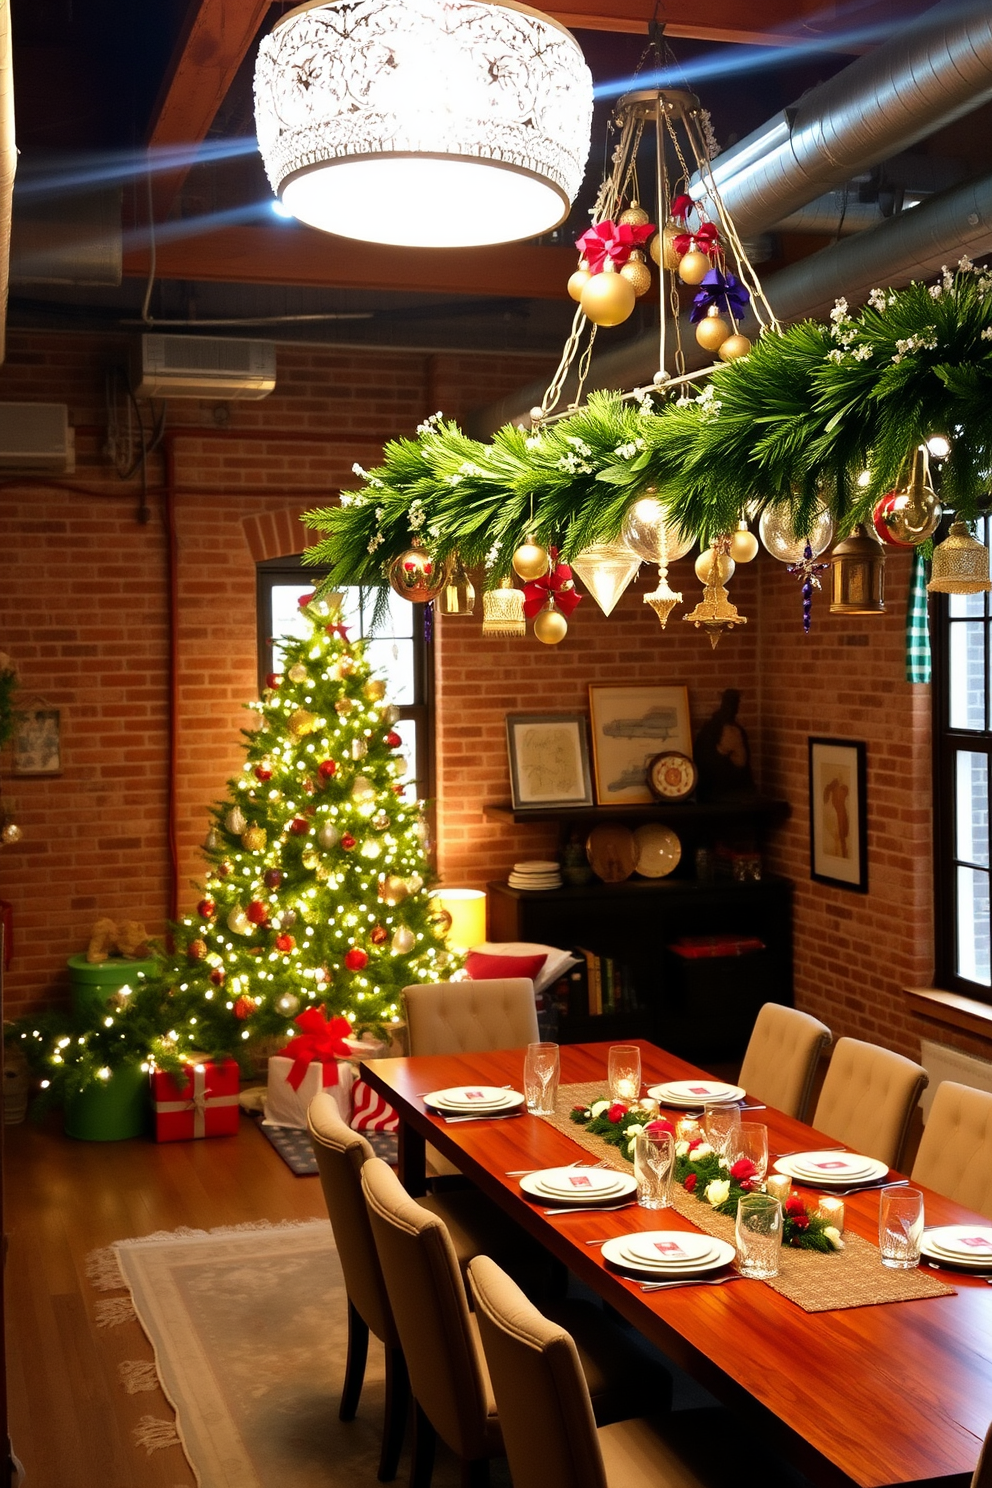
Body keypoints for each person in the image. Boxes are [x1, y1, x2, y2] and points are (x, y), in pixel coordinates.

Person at [693, 688, 755, 801]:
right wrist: (721, 750)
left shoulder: (737, 731)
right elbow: (702, 761)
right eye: (731, 704)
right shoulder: (710, 730)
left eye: (736, 704)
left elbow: (743, 764)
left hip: (736, 793)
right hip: (714, 794)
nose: (734, 709)